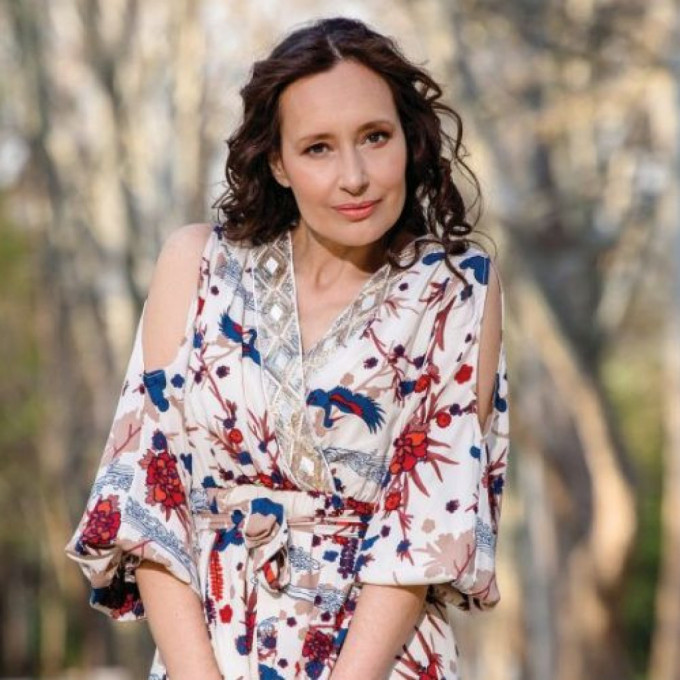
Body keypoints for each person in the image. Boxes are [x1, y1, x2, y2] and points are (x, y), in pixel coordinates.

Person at [65, 15, 510, 680]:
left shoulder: (454, 287)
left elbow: (422, 530)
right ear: (277, 161)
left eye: (375, 137)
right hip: (205, 655)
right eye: (318, 148)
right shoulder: (197, 266)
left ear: (409, 140)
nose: (354, 176)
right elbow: (148, 498)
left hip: (380, 662)